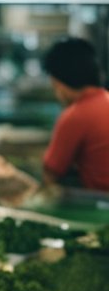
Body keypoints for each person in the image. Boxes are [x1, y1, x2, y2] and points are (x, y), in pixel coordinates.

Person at [42, 38, 109, 191]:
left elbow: (51, 173)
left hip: (102, 204)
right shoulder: (106, 98)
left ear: (57, 83)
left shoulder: (75, 115)